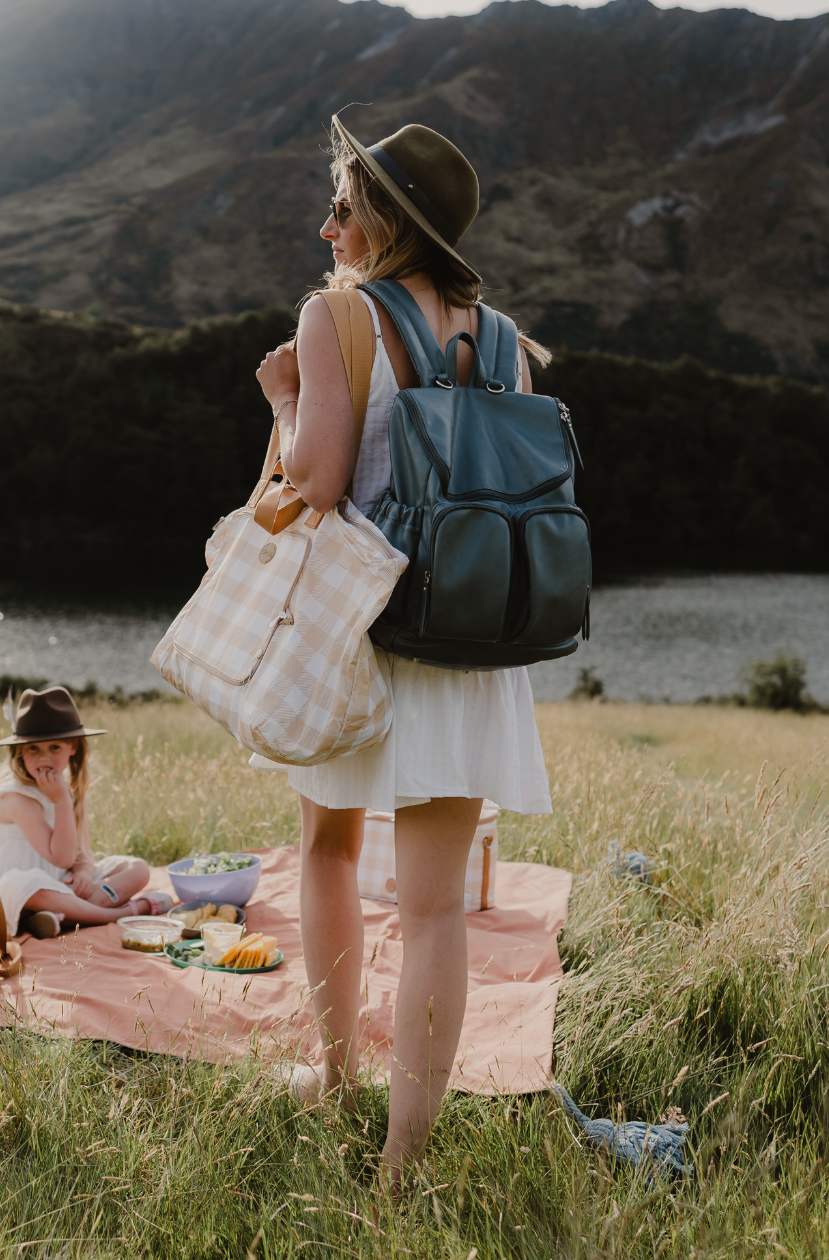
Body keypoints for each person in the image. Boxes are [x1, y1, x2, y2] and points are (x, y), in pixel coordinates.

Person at [251, 115, 554, 1183]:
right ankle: (404, 1155)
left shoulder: (335, 316)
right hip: (472, 631)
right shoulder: (507, 335)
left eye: (341, 204)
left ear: (384, 222)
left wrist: (286, 400)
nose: (325, 223)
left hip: (363, 632)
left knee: (326, 851)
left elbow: (317, 483)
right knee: (435, 906)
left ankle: (336, 1075)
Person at [0, 686, 169, 937]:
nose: (43, 758)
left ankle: (63, 914)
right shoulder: (16, 798)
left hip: (61, 882)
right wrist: (60, 801)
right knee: (28, 885)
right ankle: (117, 914)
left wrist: (83, 871)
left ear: (73, 747)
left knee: (137, 869)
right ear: (19, 752)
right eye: (33, 749)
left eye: (54, 748)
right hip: (21, 887)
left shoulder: (69, 788)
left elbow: (81, 850)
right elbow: (61, 857)